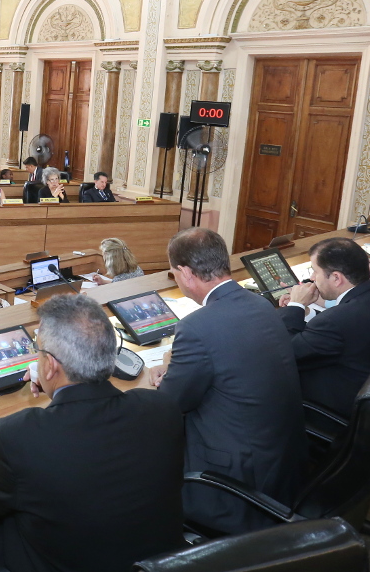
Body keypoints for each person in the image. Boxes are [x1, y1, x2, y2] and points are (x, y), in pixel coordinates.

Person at [0, 294, 185, 572]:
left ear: (51, 365)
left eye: (39, 350)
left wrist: (52, 392)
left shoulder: (18, 434)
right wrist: (55, 390)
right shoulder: (161, 407)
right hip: (153, 562)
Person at [149, 227, 304, 534]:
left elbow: (169, 404)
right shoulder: (260, 303)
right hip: (281, 460)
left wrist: (169, 367)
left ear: (186, 273)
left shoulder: (196, 327)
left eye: (174, 275)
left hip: (234, 479)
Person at [277, 237, 370, 419]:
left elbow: (285, 354)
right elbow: (338, 332)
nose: (311, 278)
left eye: (315, 271)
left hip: (337, 411)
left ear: (336, 278)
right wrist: (305, 311)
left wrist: (296, 306)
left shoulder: (336, 321)